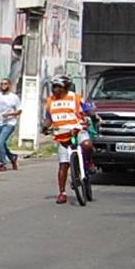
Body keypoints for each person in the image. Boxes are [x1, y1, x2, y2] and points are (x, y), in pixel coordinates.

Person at [44, 76, 92, 204]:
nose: (55, 90)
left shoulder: (75, 97)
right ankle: (62, 193)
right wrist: (45, 127)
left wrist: (91, 118)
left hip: (77, 131)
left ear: (66, 88)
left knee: (87, 145)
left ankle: (89, 163)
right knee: (63, 165)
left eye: (58, 87)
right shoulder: (50, 101)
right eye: (54, 87)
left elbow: (87, 110)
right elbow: (49, 119)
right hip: (62, 136)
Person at [0, 77, 23, 171]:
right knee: (2, 143)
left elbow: (19, 111)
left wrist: (10, 114)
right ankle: (12, 157)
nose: (3, 86)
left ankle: (2, 163)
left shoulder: (14, 97)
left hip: (10, 123)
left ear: (9, 85)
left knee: (0, 143)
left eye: (5, 84)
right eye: (1, 84)